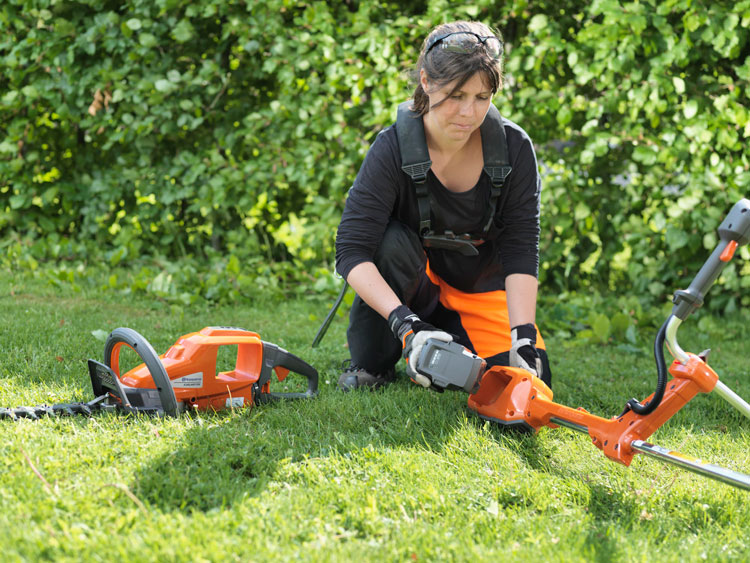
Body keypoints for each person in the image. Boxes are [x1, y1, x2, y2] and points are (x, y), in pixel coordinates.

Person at [334, 20, 552, 391]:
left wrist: (524, 337)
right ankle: (394, 354)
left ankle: (456, 350)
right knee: (386, 242)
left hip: (480, 293)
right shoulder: (391, 148)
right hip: (410, 293)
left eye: (482, 97)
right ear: (426, 82)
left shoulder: (514, 148)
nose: (469, 112)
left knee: (524, 386)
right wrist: (407, 325)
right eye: (456, 95)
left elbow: (520, 249)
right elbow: (351, 251)